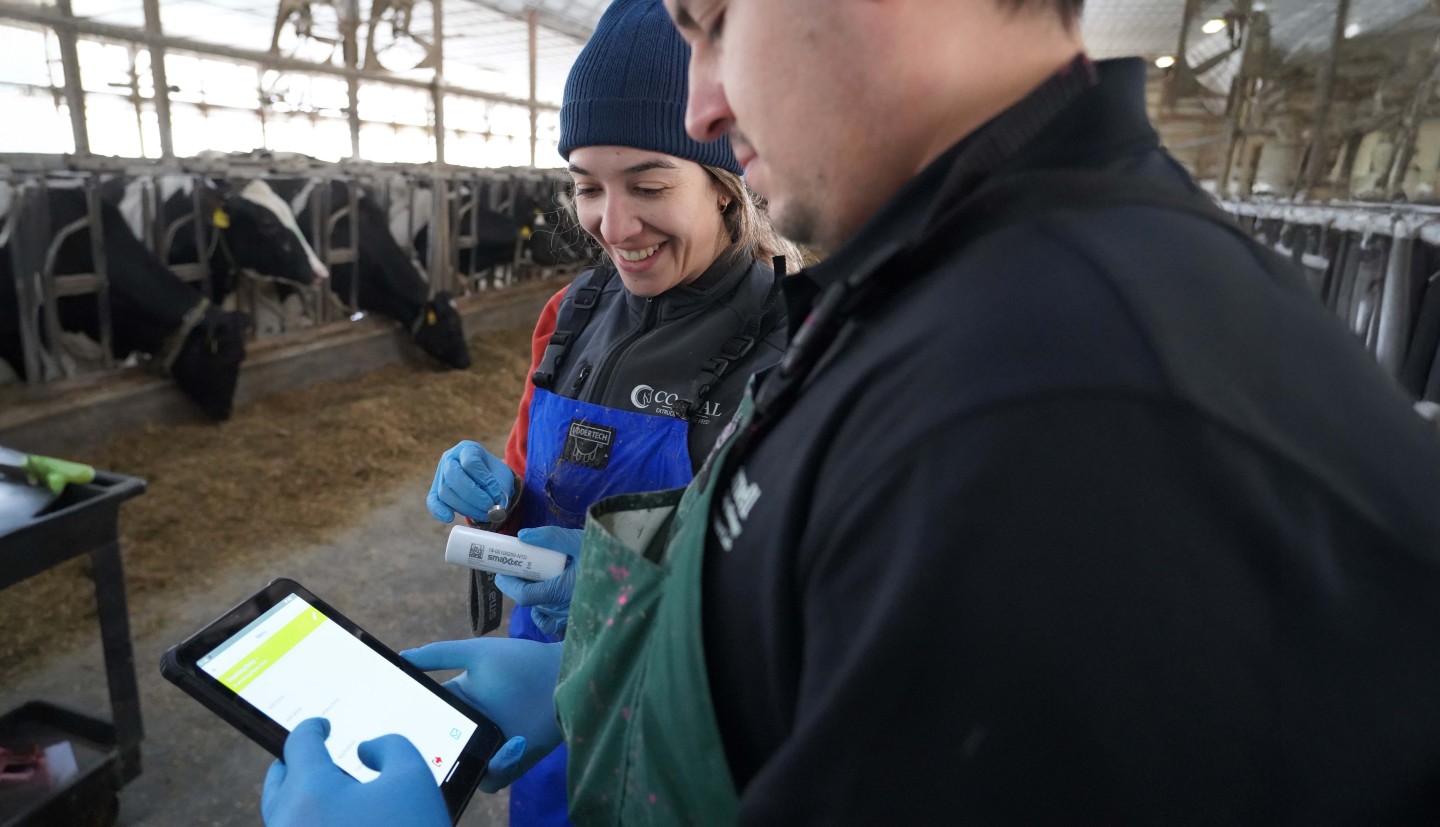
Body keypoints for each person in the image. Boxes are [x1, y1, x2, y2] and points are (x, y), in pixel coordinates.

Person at [262, 0, 1440, 824]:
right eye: (589, 187)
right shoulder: (938, 298)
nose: (707, 103)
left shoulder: (1045, 410)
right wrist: (604, 661)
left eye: (717, 22)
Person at [420, 1, 795, 825]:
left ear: (728, 188)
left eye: (649, 184)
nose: (613, 225)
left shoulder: (789, 348)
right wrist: (492, 497)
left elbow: (781, 606)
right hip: (535, 699)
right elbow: (527, 488)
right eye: (587, 187)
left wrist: (621, 587)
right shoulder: (573, 312)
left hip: (672, 728)